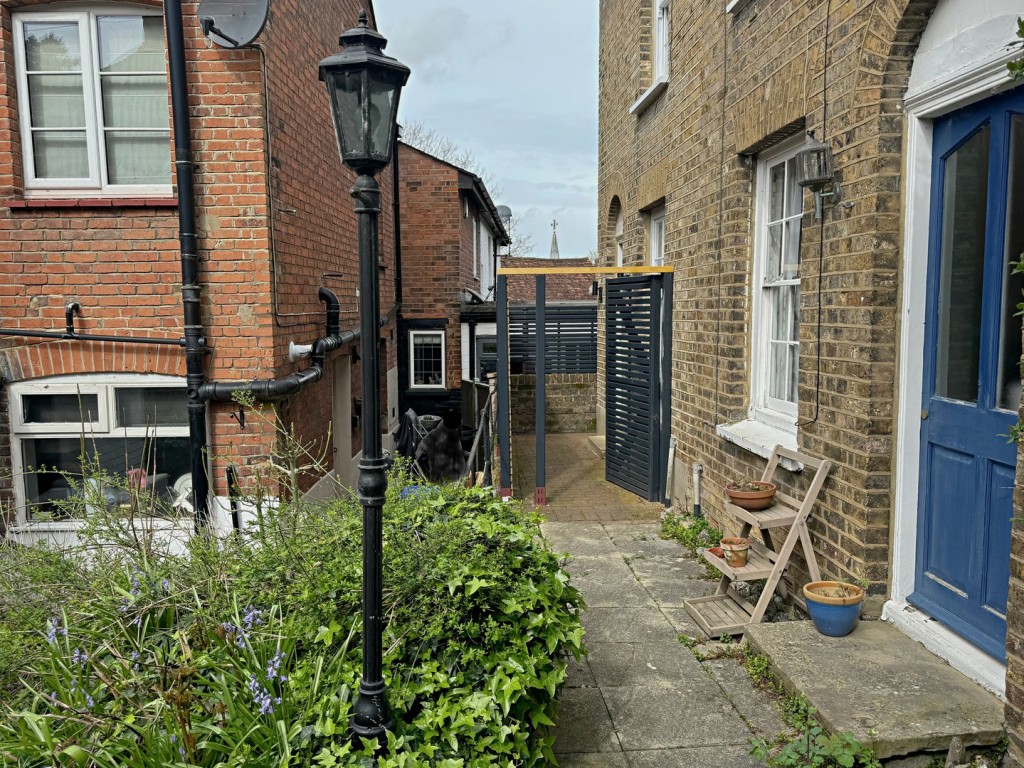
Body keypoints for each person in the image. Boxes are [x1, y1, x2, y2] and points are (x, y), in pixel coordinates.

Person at [415, 409, 467, 482]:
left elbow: (419, 454)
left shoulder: (449, 432)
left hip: (449, 474)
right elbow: (419, 454)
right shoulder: (437, 436)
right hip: (445, 475)